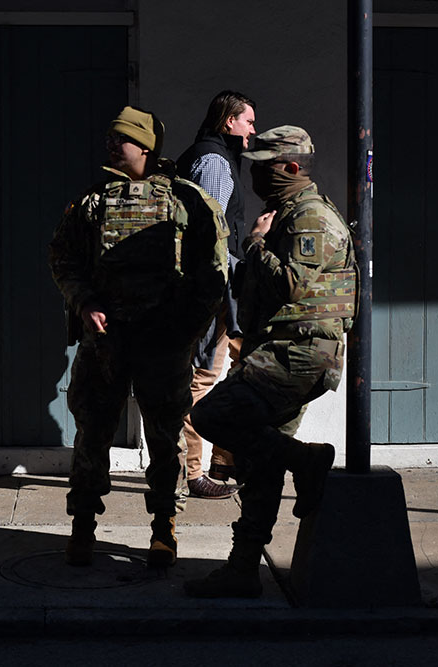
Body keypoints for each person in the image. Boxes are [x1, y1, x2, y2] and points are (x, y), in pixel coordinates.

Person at [49, 106, 228, 568]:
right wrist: (84, 302)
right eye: (110, 138)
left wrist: (184, 331)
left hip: (163, 346)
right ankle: (83, 525)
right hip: (104, 344)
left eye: (121, 139)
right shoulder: (92, 202)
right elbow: (63, 258)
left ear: (146, 147)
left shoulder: (187, 200)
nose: (111, 145)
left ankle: (164, 528)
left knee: (166, 440)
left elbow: (212, 275)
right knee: (92, 435)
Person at [184, 126, 356, 598]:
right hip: (279, 349)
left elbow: (291, 285)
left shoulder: (311, 217)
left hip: (300, 354)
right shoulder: (288, 213)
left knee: (210, 414)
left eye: (265, 167)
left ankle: (307, 459)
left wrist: (256, 244)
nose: (254, 175)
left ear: (292, 168)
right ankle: (242, 570)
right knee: (260, 464)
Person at [175, 90, 256, 500]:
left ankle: (224, 459)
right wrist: (218, 288)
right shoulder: (214, 162)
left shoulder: (219, 158)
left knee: (242, 366)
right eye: (248, 122)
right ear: (229, 122)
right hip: (216, 286)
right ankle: (192, 473)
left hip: (223, 284)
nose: (253, 130)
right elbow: (211, 232)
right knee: (202, 376)